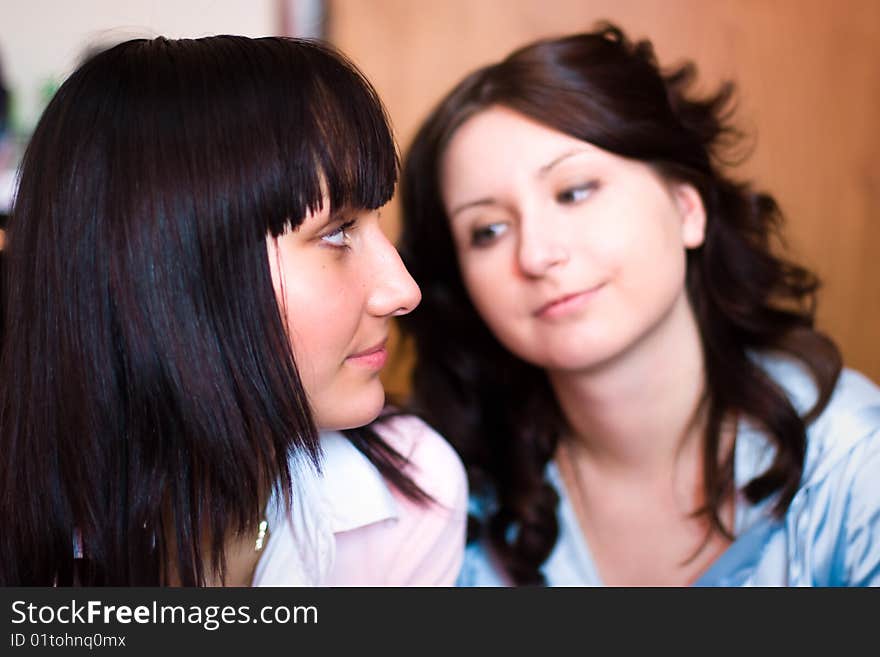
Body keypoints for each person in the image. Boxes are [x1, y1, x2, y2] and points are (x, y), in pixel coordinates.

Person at [398, 23, 880, 586]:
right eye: (489, 230)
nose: (536, 254)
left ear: (687, 207)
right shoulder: (449, 495)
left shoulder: (852, 460)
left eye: (574, 192)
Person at [0, 35, 466, 586]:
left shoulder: (410, 491)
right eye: (337, 232)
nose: (401, 289)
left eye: (375, 222)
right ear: (171, 273)